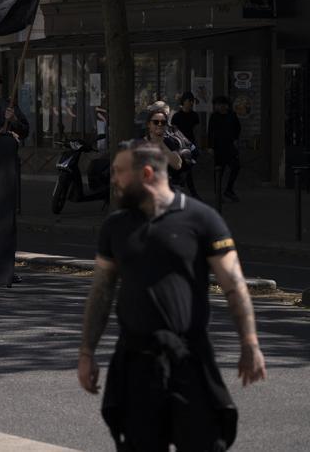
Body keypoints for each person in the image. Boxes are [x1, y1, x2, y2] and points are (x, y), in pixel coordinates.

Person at [77, 139, 266, 450]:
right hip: (136, 361)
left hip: (189, 358)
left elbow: (234, 285)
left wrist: (250, 343)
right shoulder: (115, 226)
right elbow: (101, 291)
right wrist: (87, 353)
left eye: (120, 172)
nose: (113, 180)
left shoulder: (202, 219)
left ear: (147, 173)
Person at [208, 96, 242, 202]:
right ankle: (218, 194)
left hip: (230, 147)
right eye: (219, 104)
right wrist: (210, 146)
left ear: (227, 106)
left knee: (236, 167)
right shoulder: (214, 116)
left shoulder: (232, 115)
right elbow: (210, 132)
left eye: (224, 104)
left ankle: (229, 189)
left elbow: (238, 128)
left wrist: (235, 139)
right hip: (218, 148)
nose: (222, 107)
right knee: (219, 171)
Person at [171, 92, 202, 198]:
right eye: (189, 101)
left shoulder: (194, 115)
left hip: (191, 145)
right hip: (180, 146)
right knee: (185, 170)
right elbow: (174, 132)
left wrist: (197, 145)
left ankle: (182, 190)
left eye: (192, 101)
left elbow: (197, 131)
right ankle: (192, 193)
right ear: (184, 102)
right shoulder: (176, 116)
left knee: (186, 169)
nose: (191, 103)